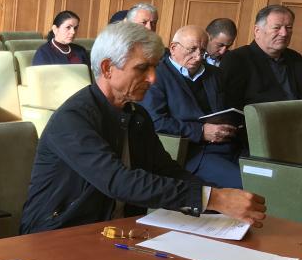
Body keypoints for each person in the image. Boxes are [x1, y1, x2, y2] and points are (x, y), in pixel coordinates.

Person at [19, 22, 266, 235]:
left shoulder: (136, 115)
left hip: (116, 229)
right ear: (107, 68)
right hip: (58, 231)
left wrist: (216, 198)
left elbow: (165, 170)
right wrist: (211, 198)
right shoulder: (73, 119)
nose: (153, 78)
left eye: (154, 67)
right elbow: (119, 181)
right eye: (141, 68)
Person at [139, 25, 242, 189]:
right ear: (173, 48)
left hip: (230, 145)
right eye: (192, 49)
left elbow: (227, 109)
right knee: (247, 185)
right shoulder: (157, 76)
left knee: (270, 177)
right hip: (193, 152)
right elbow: (156, 121)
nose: (198, 56)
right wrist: (200, 132)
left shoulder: (215, 74)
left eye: (202, 51)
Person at [221, 5, 302, 108]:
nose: (284, 33)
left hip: (300, 115)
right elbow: (229, 106)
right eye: (276, 28)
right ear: (257, 31)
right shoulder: (236, 59)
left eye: (289, 28)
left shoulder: (295, 58)